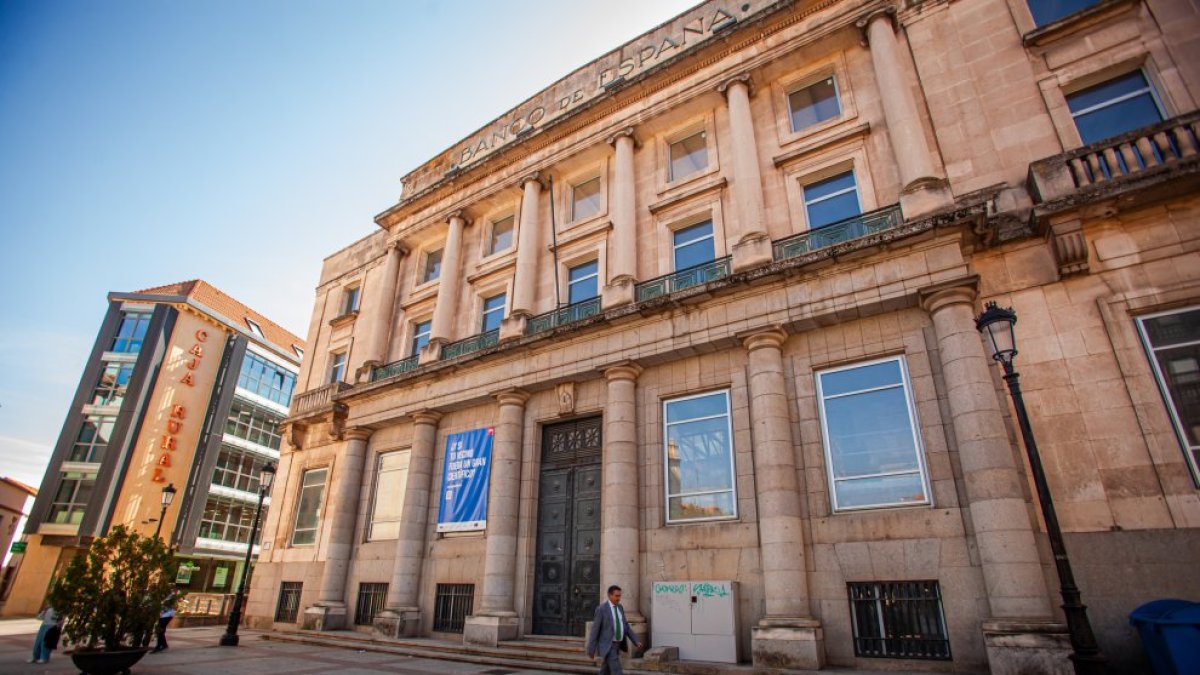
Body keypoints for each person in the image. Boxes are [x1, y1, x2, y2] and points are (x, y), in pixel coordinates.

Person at [586, 585, 641, 675]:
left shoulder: (620, 608)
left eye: (620, 596)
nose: (619, 598)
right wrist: (591, 650)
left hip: (618, 645)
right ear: (609, 595)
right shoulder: (601, 609)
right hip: (608, 644)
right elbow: (595, 631)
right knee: (616, 670)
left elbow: (625, 626)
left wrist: (636, 641)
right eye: (616, 596)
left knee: (605, 670)